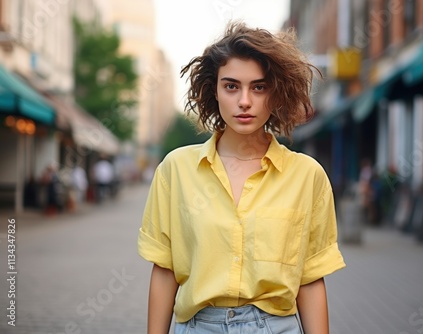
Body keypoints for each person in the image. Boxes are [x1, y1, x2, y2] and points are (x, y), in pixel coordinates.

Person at [138, 22, 346, 334]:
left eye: (259, 87)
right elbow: (165, 270)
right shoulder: (175, 169)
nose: (244, 101)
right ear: (214, 91)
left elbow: (311, 278)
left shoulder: (307, 176)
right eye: (231, 86)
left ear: (276, 93)